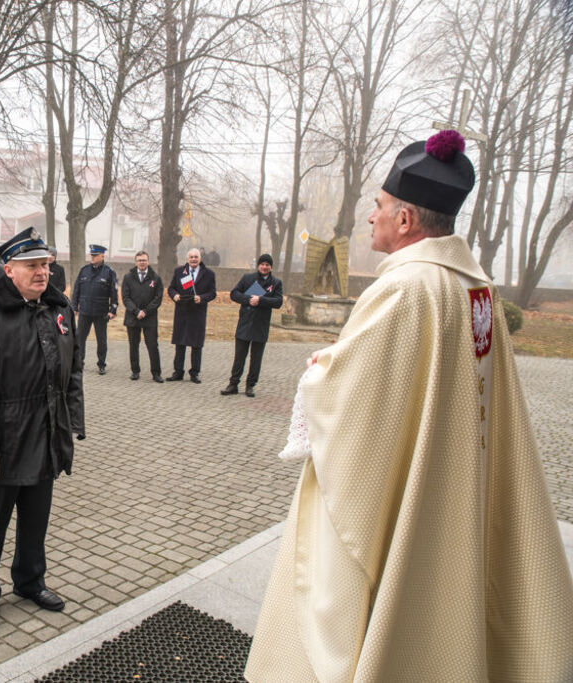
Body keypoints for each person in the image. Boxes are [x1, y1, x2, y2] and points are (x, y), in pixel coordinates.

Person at [245, 130, 573, 680]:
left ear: (405, 221)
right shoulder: (477, 289)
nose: (369, 218)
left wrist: (322, 371)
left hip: (415, 482)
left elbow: (352, 398)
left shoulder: (407, 288)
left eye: (377, 207)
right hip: (454, 470)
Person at [0, 227, 85, 633]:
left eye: (45, 264)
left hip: (47, 435)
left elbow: (74, 370)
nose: (42, 272)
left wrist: (72, 422)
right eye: (32, 266)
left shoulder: (59, 309)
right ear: (8, 270)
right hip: (5, 441)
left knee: (36, 519)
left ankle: (30, 581)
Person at [221, 253, 283, 397]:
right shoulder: (247, 278)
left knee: (256, 358)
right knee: (239, 357)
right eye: (262, 264)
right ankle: (233, 384)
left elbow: (278, 301)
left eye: (267, 265)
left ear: (271, 267)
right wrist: (248, 299)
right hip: (245, 323)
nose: (264, 267)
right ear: (258, 265)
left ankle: (250, 385)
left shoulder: (276, 283)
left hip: (261, 326)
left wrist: (261, 300)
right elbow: (234, 294)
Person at [166, 248, 216, 382]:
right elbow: (171, 288)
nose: (193, 259)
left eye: (196, 257)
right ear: (187, 259)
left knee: (196, 345)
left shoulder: (209, 274)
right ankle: (178, 372)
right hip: (182, 312)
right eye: (191, 257)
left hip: (198, 313)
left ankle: (194, 373)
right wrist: (174, 295)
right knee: (180, 343)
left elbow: (212, 293)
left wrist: (202, 298)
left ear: (200, 258)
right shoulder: (179, 272)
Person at [71, 244, 118, 374]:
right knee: (80, 338)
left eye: (95, 255)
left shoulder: (109, 272)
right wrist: (74, 306)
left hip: (101, 312)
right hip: (85, 311)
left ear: (103, 256)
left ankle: (101, 364)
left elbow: (114, 292)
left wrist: (113, 309)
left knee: (101, 340)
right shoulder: (84, 270)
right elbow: (77, 290)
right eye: (91, 255)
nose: (92, 257)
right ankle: (79, 362)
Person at [121, 251, 164, 383]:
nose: (142, 262)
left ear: (148, 261)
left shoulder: (156, 278)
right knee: (133, 345)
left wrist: (145, 311)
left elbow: (158, 299)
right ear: (135, 262)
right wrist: (136, 311)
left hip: (149, 318)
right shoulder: (128, 277)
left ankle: (156, 373)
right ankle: (135, 371)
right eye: (139, 260)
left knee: (152, 345)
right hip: (132, 317)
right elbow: (125, 297)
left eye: (144, 260)